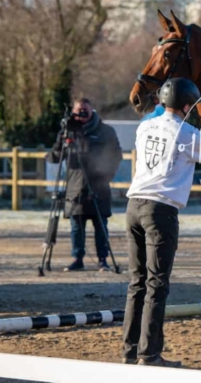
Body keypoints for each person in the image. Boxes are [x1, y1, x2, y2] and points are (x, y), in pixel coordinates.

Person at [122, 78, 201, 367]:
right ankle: (149, 355)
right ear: (188, 106)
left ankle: (130, 350)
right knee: (157, 284)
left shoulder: (144, 126)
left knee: (136, 283)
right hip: (160, 211)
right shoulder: (186, 131)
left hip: (133, 206)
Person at [47, 97, 123, 272]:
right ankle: (77, 259)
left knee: (101, 226)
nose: (81, 115)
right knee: (76, 227)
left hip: (99, 186)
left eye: (85, 112)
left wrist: (107, 176)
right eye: (78, 112)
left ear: (92, 111)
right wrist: (63, 138)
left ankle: (103, 260)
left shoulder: (105, 131)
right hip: (75, 185)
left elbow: (116, 155)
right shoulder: (69, 131)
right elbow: (55, 157)